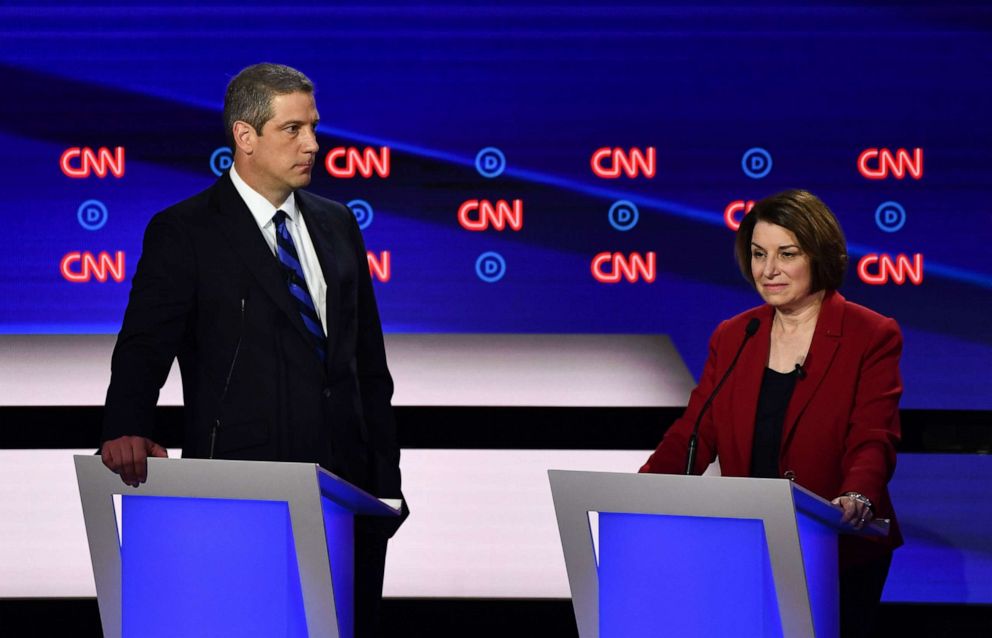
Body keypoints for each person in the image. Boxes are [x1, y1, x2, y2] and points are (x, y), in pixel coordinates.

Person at [100, 63, 406, 637]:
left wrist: (387, 480)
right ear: (245, 136)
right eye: (293, 129)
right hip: (244, 492)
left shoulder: (338, 224)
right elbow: (144, 346)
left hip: (348, 493)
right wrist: (125, 426)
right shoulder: (185, 230)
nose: (312, 144)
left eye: (313, 127)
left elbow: (368, 364)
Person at [640, 189, 902, 637]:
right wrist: (638, 494)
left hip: (835, 548)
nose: (769, 270)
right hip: (748, 543)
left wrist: (857, 495)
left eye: (787, 254)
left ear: (818, 254)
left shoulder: (870, 334)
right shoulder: (736, 334)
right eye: (759, 254)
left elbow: (873, 436)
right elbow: (696, 432)